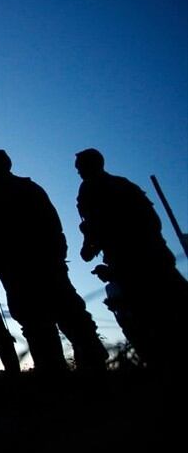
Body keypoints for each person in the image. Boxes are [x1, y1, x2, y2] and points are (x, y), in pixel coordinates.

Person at [0, 149, 108, 374]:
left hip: (23, 272)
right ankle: (89, 369)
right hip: (42, 268)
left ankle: (68, 373)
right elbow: (54, 225)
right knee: (65, 319)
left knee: (45, 325)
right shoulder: (29, 188)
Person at [75, 148, 188, 371]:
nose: (77, 170)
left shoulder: (90, 190)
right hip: (155, 257)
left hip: (132, 264)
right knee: (176, 308)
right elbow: (153, 222)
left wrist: (90, 246)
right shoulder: (124, 184)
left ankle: (165, 366)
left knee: (149, 318)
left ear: (91, 165)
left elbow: (96, 227)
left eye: (80, 165)